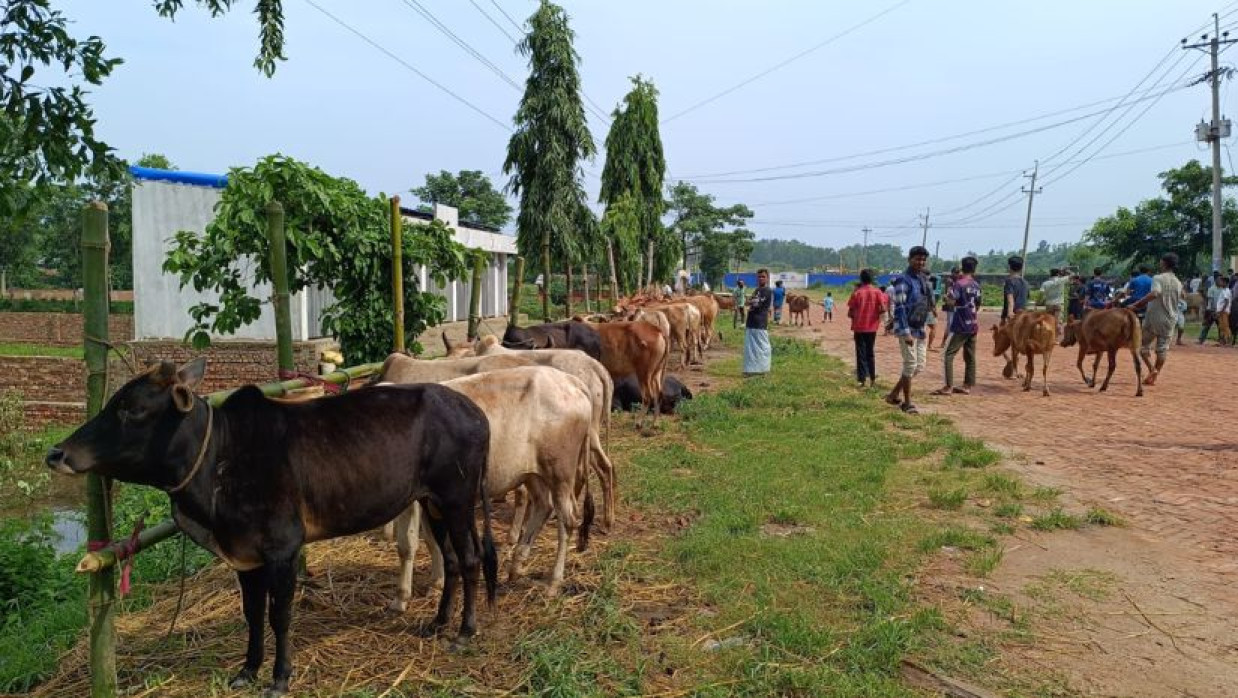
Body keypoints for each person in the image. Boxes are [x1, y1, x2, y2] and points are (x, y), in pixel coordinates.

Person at [885, 246, 932, 414]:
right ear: (909, 259)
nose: (920, 262)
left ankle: (893, 394)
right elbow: (900, 308)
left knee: (918, 366)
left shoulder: (922, 279)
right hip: (907, 329)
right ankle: (907, 403)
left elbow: (924, 303)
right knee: (910, 364)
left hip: (920, 327)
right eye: (917, 259)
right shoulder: (903, 280)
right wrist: (905, 332)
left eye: (923, 259)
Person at [1126, 252, 1184, 386]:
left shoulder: (1158, 278)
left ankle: (1152, 369)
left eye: (1160, 261)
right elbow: (1182, 296)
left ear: (1164, 263)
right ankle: (1154, 375)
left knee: (1141, 346)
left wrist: (1136, 305)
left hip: (1155, 317)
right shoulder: (1178, 281)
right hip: (1171, 318)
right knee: (1162, 348)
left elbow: (1155, 293)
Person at [932, 256, 982, 396]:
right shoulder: (976, 285)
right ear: (974, 269)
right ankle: (967, 385)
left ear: (962, 267)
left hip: (960, 324)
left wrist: (946, 297)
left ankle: (948, 386)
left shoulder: (959, 284)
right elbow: (978, 305)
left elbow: (951, 302)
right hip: (973, 324)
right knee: (970, 356)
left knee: (948, 354)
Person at [847, 269, 887, 387]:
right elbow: (883, 309)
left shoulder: (857, 293)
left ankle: (862, 379)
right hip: (872, 327)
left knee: (860, 353)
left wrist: (856, 314)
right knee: (870, 352)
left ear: (861, 279)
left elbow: (850, 312)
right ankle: (873, 378)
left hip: (859, 327)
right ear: (872, 279)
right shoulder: (878, 292)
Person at [743, 269, 774, 376]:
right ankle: (751, 370)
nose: (761, 278)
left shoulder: (767, 290)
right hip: (751, 321)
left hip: (760, 322)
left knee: (763, 347)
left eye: (763, 276)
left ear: (767, 278)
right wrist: (751, 301)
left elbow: (755, 303)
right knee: (750, 348)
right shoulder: (757, 290)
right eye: (759, 276)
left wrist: (750, 302)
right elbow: (750, 302)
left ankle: (763, 369)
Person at [936, 268, 961, 349]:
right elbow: (948, 292)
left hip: (955, 304)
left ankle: (950, 343)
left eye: (958, 273)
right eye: (956, 273)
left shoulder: (957, 281)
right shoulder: (950, 281)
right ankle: (944, 343)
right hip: (950, 304)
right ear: (952, 273)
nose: (957, 274)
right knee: (950, 324)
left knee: (954, 324)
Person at [1001, 256, 1029, 323]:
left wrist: (1010, 312)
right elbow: (1026, 298)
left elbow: (1010, 298)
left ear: (1009, 267)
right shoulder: (1025, 282)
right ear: (1021, 268)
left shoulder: (1009, 281)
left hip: (1013, 316)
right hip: (1023, 315)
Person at [1199, 275, 1226, 344]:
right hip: (1212, 310)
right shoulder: (1212, 289)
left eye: (1222, 281)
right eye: (1220, 280)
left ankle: (1221, 339)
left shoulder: (1223, 289)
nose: (1221, 282)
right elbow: (1210, 301)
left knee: (1220, 326)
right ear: (1216, 281)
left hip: (1219, 311)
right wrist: (1210, 310)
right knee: (1207, 325)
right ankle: (1201, 339)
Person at [1217, 277, 1233, 346]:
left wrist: (1222, 310)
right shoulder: (1223, 290)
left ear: (1225, 283)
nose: (1220, 283)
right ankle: (1223, 341)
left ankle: (1229, 340)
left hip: (1224, 311)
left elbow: (1226, 301)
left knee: (1225, 326)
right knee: (1221, 326)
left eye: (1221, 282)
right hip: (1221, 311)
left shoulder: (1226, 291)